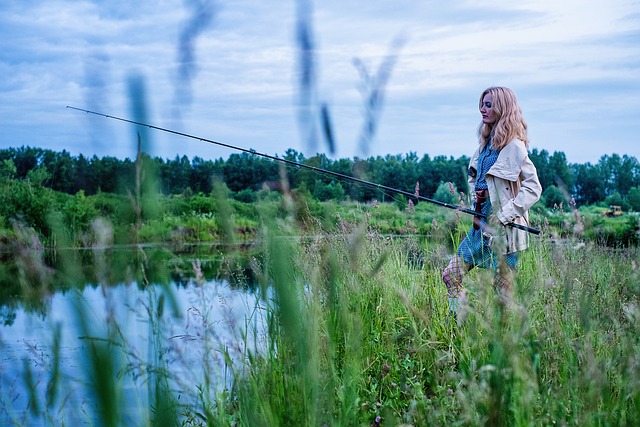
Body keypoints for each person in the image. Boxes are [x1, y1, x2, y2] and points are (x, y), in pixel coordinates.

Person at [442, 86, 542, 316]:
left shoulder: (515, 147)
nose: (483, 109)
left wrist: (505, 214)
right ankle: (458, 319)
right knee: (450, 276)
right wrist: (477, 195)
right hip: (479, 228)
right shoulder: (484, 146)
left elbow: (534, 187)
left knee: (502, 298)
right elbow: (475, 178)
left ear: (503, 108)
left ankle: (505, 343)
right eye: (482, 104)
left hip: (504, 234)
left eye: (489, 105)